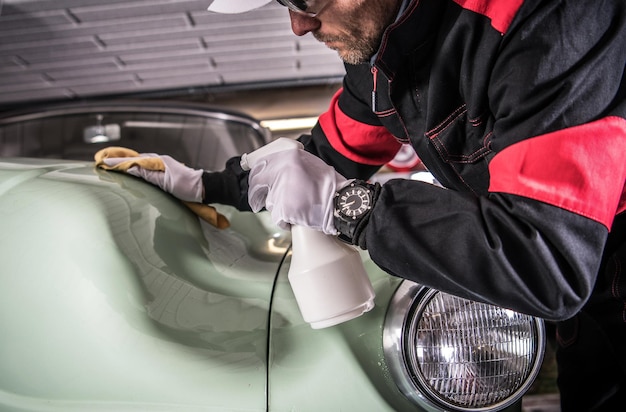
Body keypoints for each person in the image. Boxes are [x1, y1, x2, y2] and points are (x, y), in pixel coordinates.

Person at [101, 0, 626, 410]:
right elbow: (317, 159)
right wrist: (208, 185)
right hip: (581, 289)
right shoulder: (384, 58)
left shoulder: (549, 21)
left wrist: (348, 207)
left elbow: (546, 261)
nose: (299, 26)